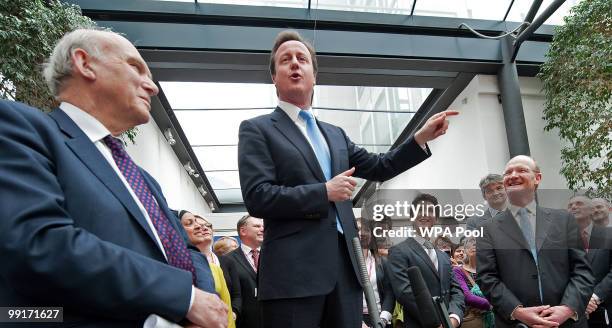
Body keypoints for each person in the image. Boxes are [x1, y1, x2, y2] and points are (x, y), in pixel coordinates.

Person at [0, 28, 227, 327]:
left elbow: (186, 248)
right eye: (136, 67)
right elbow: (40, 242)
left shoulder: (143, 179)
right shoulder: (20, 127)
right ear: (84, 63)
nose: (153, 87)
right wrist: (183, 297)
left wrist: (201, 305)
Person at [237, 30, 458, 328]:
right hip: (293, 277)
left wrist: (419, 138)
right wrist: (323, 192)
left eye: (302, 59)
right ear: (274, 77)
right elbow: (258, 196)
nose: (294, 64)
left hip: (345, 273)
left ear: (314, 75)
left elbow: (380, 167)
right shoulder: (257, 129)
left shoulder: (335, 135)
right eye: (285, 60)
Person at [477, 155, 594, 328]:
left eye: (522, 170)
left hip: (566, 322)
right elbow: (487, 277)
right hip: (517, 323)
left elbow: (582, 271)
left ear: (537, 178)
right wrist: (517, 311)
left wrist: (568, 308)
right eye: (508, 173)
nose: (513, 175)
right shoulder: (488, 229)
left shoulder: (563, 220)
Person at [387, 194, 465, 328]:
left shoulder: (444, 256)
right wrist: (437, 322)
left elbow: (456, 290)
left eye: (430, 211)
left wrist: (452, 318)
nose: (424, 214)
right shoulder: (399, 251)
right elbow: (404, 292)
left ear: (435, 219)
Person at [180, 212, 235, 328]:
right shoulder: (171, 263)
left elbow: (227, 310)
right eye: (189, 223)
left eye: (207, 225)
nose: (200, 227)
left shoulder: (215, 269)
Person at [567, 196, 612, 328]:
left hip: (604, 311)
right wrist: (576, 300)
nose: (574, 207)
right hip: (572, 313)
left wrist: (595, 297)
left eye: (579, 203)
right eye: (570, 205)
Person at [220, 215, 264, 328]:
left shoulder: (273, 256)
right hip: (244, 322)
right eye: (257, 226)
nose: (262, 229)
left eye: (263, 226)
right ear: (243, 231)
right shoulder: (228, 260)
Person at [357, 218, 394, 328]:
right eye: (358, 229)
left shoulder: (382, 262)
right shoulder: (345, 264)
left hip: (380, 318)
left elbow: (390, 293)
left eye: (365, 230)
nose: (361, 233)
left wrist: (382, 319)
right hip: (355, 319)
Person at [452, 238, 493, 328]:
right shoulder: (458, 270)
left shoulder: (489, 269)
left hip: (493, 318)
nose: (474, 245)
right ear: (465, 250)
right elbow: (467, 296)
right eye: (470, 244)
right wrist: (490, 305)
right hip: (474, 319)